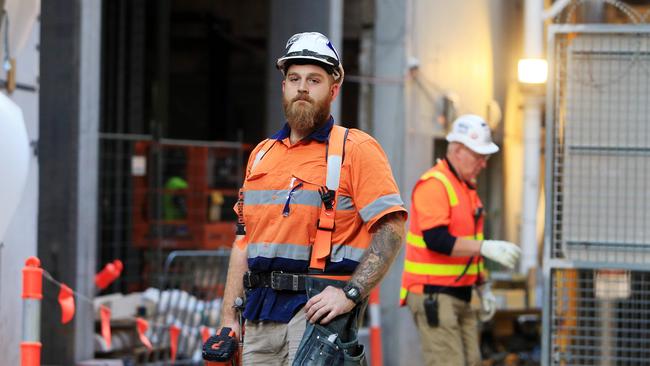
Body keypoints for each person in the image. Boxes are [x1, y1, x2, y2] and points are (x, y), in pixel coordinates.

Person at [219, 31, 407, 366]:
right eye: (294, 78)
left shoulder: (356, 149)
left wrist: (351, 293)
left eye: (314, 79)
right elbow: (242, 243)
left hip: (314, 317)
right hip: (259, 318)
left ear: (333, 90)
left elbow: (391, 229)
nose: (302, 87)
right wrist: (227, 320)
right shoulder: (262, 155)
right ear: (284, 86)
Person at [399, 114, 521, 366]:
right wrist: (485, 247)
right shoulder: (435, 185)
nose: (483, 164)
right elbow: (437, 240)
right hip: (434, 294)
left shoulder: (466, 188)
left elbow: (469, 244)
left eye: (485, 157)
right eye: (478, 156)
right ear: (456, 150)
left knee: (472, 361)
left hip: (459, 294)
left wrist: (483, 286)